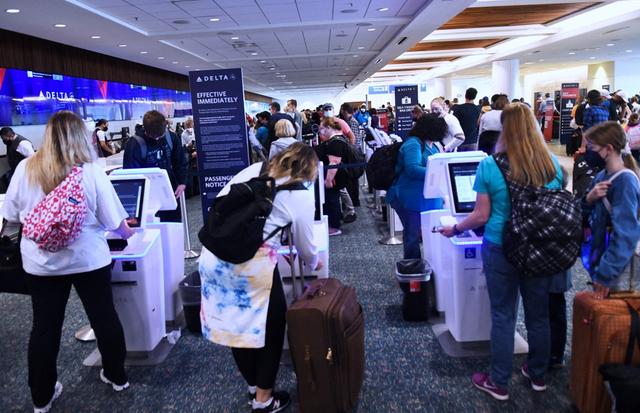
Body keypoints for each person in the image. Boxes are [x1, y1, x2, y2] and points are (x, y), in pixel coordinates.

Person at [1, 111, 134, 412]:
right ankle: (117, 376)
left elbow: (10, 216)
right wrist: (129, 230)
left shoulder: (25, 169)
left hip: (40, 265)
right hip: (89, 260)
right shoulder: (91, 171)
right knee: (104, 317)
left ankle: (42, 397)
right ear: (80, 137)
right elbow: (115, 222)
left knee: (45, 328)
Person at [440, 103, 565, 400]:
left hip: (501, 246)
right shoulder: (552, 164)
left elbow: (481, 216)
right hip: (541, 247)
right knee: (538, 316)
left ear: (505, 129)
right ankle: (538, 376)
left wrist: (455, 229)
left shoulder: (490, 165)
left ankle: (498, 382)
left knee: (503, 315)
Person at [199, 143, 322, 413]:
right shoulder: (300, 195)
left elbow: (220, 209)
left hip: (214, 256)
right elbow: (306, 246)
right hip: (251, 265)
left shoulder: (254, 170)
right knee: (272, 327)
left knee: (236, 325)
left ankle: (254, 385)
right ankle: (264, 400)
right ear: (309, 170)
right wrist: (315, 261)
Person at [582, 121, 640, 295]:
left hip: (617, 269)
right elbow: (582, 212)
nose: (590, 152)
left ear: (608, 149)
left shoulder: (625, 181)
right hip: (600, 259)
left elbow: (625, 232)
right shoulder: (602, 176)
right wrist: (588, 199)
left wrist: (606, 273)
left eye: (593, 147)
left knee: (615, 319)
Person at [386, 113, 447, 259]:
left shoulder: (432, 144)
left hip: (425, 197)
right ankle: (413, 270)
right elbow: (412, 169)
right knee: (412, 236)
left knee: (425, 234)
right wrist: (439, 172)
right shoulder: (413, 144)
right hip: (410, 197)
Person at [122, 110, 188, 222]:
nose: (157, 139)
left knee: (173, 224)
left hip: (170, 190)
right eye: (154, 136)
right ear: (145, 129)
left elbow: (180, 161)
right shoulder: (134, 144)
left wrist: (182, 182)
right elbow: (130, 175)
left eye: (160, 136)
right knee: (152, 227)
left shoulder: (171, 138)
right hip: (147, 195)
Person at [317, 117, 353, 235]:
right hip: (334, 176)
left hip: (333, 178)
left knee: (331, 200)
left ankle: (334, 226)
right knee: (332, 199)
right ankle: (334, 223)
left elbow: (334, 163)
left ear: (328, 128)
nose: (320, 132)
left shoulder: (335, 142)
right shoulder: (338, 139)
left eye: (322, 129)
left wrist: (328, 180)